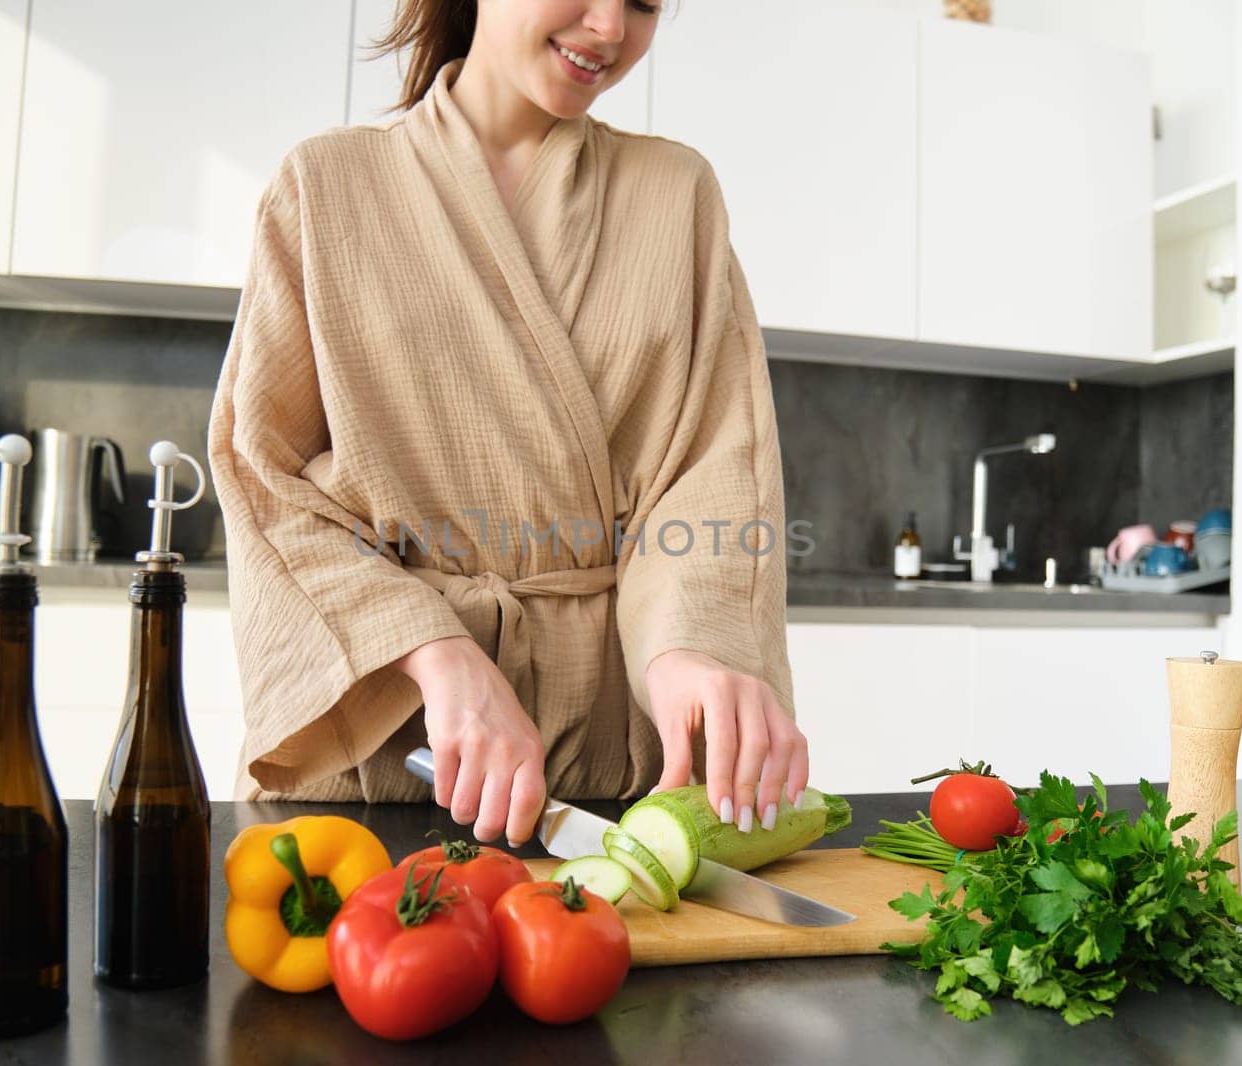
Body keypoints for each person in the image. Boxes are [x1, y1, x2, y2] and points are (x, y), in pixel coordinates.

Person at [208, 0, 810, 848]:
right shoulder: (325, 185)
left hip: (604, 786)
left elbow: (715, 469)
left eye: (643, 3)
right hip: (379, 768)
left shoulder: (676, 195)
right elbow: (259, 475)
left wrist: (686, 653)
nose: (609, 27)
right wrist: (434, 650)